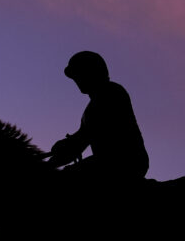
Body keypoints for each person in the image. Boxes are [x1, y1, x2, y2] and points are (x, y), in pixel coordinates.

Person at [48, 51, 149, 185]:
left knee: (68, 177)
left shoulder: (112, 92)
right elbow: (80, 139)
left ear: (92, 71)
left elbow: (83, 139)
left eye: (78, 74)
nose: (77, 80)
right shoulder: (92, 106)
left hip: (122, 162)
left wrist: (66, 146)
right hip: (106, 161)